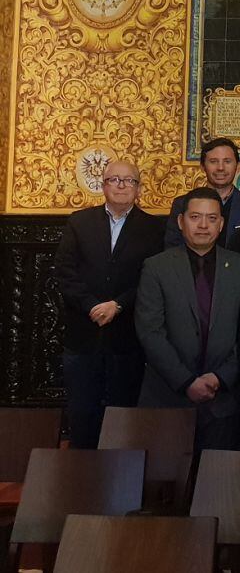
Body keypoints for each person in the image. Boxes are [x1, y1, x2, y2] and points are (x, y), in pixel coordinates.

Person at [53, 159, 165, 448]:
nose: (121, 186)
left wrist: (118, 305)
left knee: (123, 417)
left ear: (139, 189)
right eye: (114, 180)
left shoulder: (154, 228)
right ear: (103, 185)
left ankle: (120, 483)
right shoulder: (79, 221)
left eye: (129, 181)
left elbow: (151, 279)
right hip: (83, 335)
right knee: (82, 414)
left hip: (127, 338)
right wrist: (92, 305)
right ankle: (81, 480)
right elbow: (66, 272)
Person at [135, 188, 240, 452]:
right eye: (195, 217)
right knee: (164, 486)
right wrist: (187, 381)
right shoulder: (156, 267)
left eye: (212, 219)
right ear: (180, 221)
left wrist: (220, 377)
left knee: (218, 486)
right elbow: (150, 332)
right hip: (168, 397)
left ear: (221, 224)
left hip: (223, 400)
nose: (203, 225)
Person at [165, 138, 240, 250]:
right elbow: (172, 249)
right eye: (213, 161)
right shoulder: (181, 203)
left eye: (227, 161)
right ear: (202, 167)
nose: (221, 168)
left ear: (238, 166)